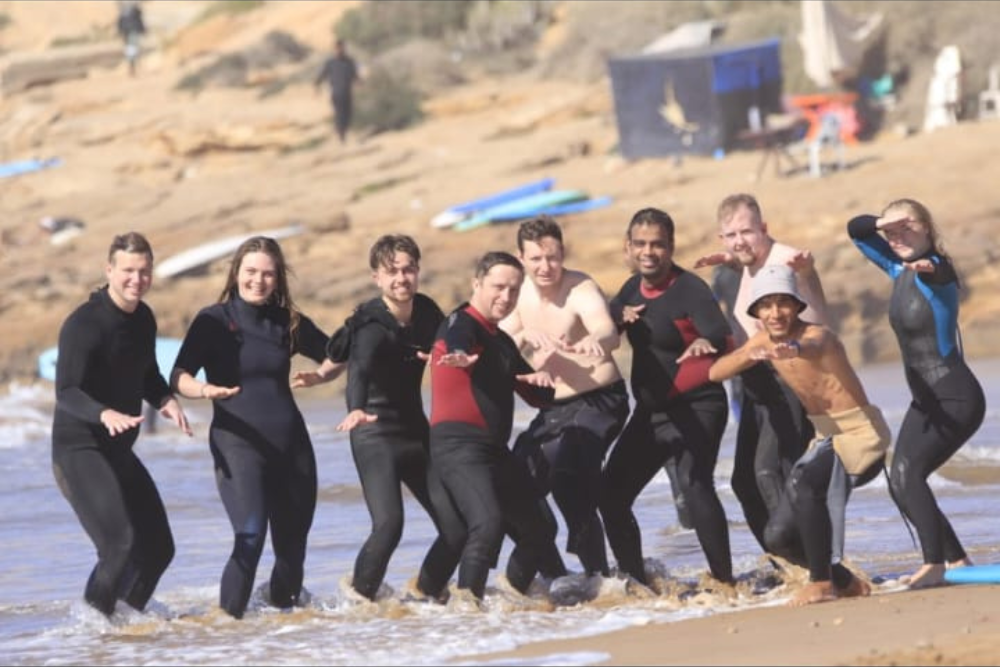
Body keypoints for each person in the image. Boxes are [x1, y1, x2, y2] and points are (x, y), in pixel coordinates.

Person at [170, 236, 340, 619]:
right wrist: (203, 390)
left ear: (278, 278)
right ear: (236, 273)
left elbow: (338, 353)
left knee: (292, 552)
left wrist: (323, 376)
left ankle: (275, 639)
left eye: (268, 274)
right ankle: (226, 631)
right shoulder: (212, 320)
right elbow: (178, 374)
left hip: (291, 445)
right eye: (251, 272)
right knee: (250, 536)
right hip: (238, 443)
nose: (258, 281)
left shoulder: (288, 321)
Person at [709, 264, 892, 606]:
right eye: (766, 305)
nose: (775, 312)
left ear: (796, 305)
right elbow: (716, 371)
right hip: (824, 439)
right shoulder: (763, 339)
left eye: (783, 303)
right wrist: (750, 354)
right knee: (778, 536)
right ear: (756, 311)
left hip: (860, 432)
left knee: (806, 484)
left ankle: (821, 583)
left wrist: (793, 350)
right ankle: (846, 582)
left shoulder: (816, 336)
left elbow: (815, 344)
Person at [51, 232, 192, 617]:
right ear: (109, 270)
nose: (137, 279)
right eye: (128, 270)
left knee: (160, 548)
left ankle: (122, 626)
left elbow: (146, 373)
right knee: (118, 545)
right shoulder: (84, 324)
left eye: (144, 271)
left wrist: (164, 399)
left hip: (117, 451)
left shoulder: (143, 318)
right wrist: (103, 413)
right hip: (79, 449)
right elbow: (66, 391)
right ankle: (91, 629)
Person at [847, 200, 985, 589]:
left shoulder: (939, 269)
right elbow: (856, 229)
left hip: (956, 397)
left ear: (926, 227)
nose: (898, 238)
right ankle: (957, 560)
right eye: (892, 233)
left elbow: (939, 272)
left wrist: (929, 265)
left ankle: (934, 564)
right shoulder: (896, 268)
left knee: (909, 476)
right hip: (926, 401)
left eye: (907, 228)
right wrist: (881, 222)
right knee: (900, 478)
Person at [326, 234, 465, 601]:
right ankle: (359, 601)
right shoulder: (371, 324)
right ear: (377, 277)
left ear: (418, 272)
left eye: (409, 270)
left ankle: (425, 594)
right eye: (392, 272)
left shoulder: (427, 312)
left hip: (415, 432)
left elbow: (454, 340)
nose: (402, 278)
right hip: (374, 433)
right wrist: (354, 407)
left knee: (456, 527)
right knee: (389, 525)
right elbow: (359, 369)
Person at [601, 207, 734, 588]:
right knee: (610, 494)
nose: (649, 252)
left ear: (671, 246)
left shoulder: (689, 289)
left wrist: (704, 346)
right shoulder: (630, 289)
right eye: (640, 244)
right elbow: (610, 312)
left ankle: (724, 582)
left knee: (694, 483)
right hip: (653, 412)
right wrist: (615, 312)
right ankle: (637, 583)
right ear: (628, 247)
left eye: (658, 244)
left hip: (699, 404)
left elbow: (718, 334)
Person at [694, 193, 829, 562]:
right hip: (757, 386)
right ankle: (785, 562)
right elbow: (751, 267)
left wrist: (809, 275)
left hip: (788, 383)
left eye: (747, 232)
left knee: (770, 472)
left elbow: (818, 321)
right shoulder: (751, 263)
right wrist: (734, 260)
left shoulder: (785, 262)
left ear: (764, 229)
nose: (739, 241)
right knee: (743, 481)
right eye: (730, 235)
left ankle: (805, 562)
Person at [428, 251, 566, 601]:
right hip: (458, 446)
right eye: (498, 287)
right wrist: (459, 353)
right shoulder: (462, 323)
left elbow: (537, 397)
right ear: (477, 284)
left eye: (514, 290)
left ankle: (511, 598)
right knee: (486, 525)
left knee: (541, 528)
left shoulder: (501, 341)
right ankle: (468, 610)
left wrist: (546, 375)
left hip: (493, 451)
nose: (506, 297)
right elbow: (458, 334)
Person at [498, 216, 630, 577]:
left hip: (600, 401)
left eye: (553, 257)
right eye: (536, 259)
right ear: (521, 258)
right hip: (555, 408)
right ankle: (556, 577)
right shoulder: (518, 294)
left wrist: (595, 339)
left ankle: (600, 579)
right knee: (511, 486)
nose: (546, 267)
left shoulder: (579, 287)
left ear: (563, 253)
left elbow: (605, 328)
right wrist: (521, 339)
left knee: (568, 478)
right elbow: (496, 340)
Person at [314, 38, 362, 144]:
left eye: (341, 48)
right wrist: (317, 85)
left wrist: (359, 83)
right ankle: (341, 135)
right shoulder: (330, 63)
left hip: (347, 92)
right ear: (334, 49)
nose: (339, 50)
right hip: (336, 93)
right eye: (337, 48)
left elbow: (355, 75)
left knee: (348, 113)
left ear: (344, 48)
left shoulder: (349, 61)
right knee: (339, 114)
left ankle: (344, 131)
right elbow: (322, 75)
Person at [116, 1, 146, 77]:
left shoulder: (125, 10)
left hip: (128, 31)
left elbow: (120, 22)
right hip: (130, 31)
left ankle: (134, 66)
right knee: (132, 48)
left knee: (131, 48)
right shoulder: (132, 10)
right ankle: (134, 66)